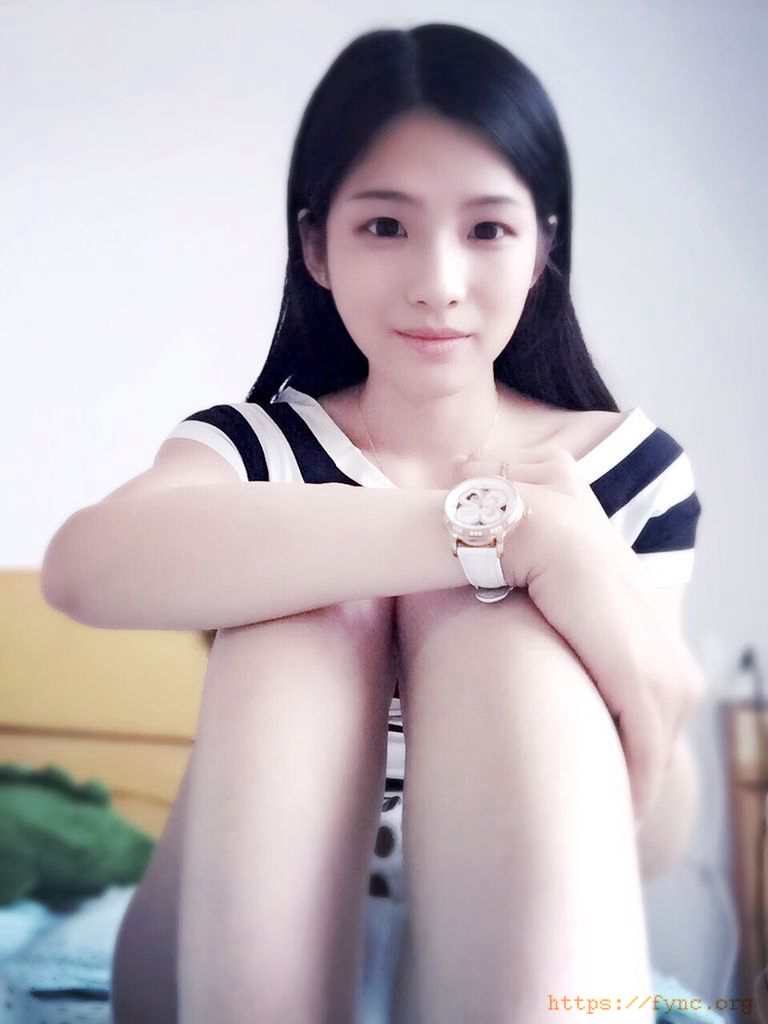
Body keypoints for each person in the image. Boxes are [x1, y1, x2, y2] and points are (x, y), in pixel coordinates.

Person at [40, 22, 704, 1024]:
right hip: (228, 939)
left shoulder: (625, 471)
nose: (438, 280)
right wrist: (499, 531)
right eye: (386, 225)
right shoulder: (257, 449)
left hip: (514, 937)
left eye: (487, 230)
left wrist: (584, 593)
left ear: (542, 247)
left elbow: (653, 840)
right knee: (311, 609)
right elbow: (82, 568)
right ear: (317, 246)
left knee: (497, 633)